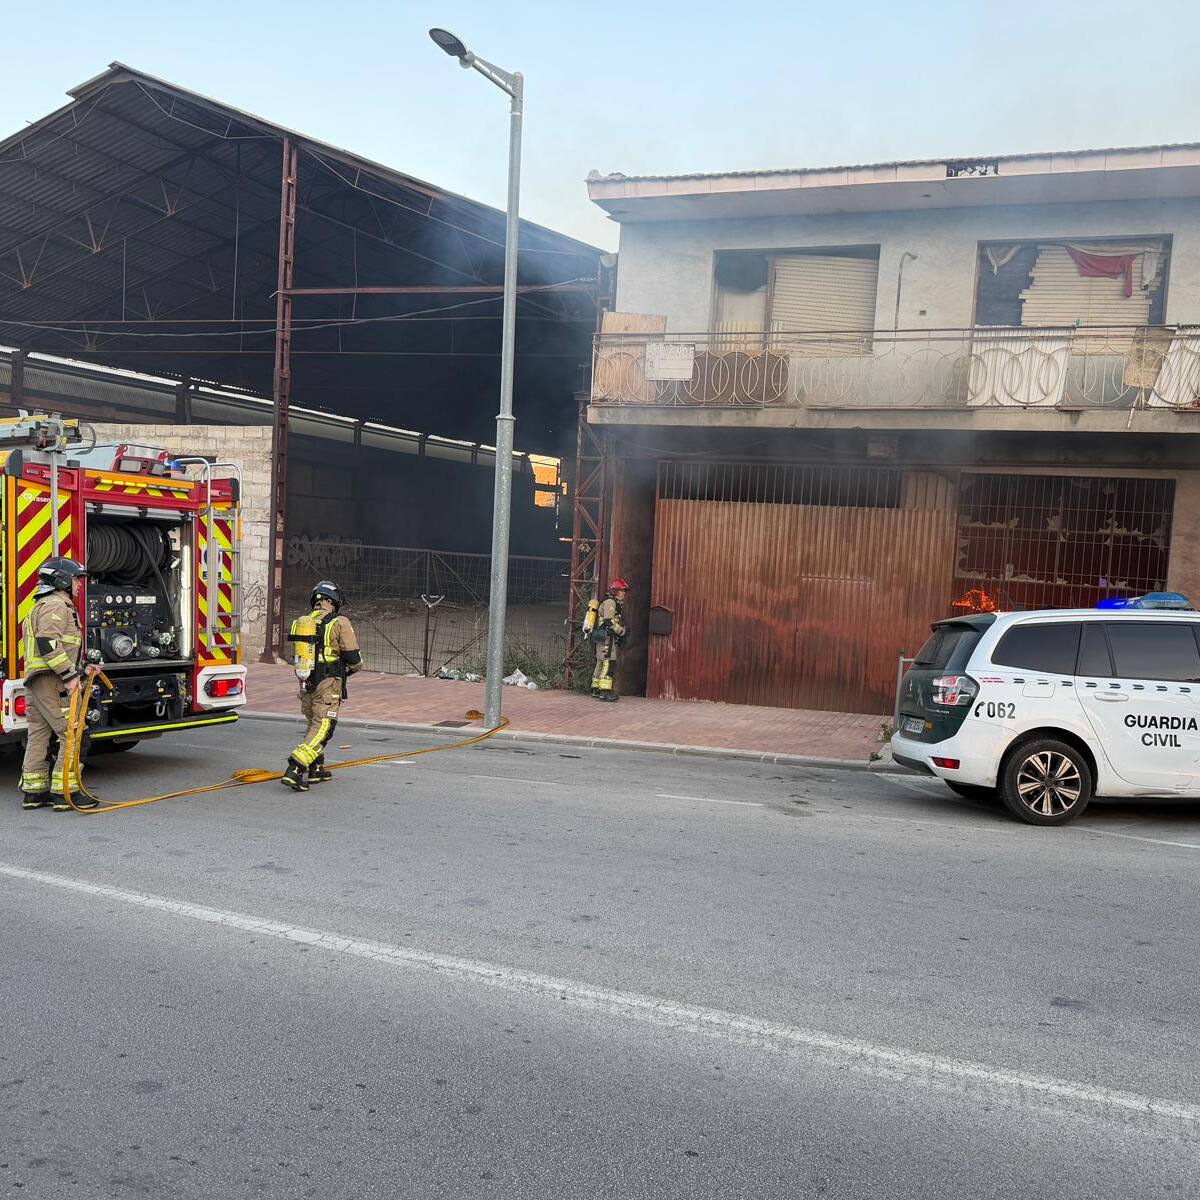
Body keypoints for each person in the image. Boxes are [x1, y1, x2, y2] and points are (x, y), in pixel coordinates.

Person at [20, 556, 98, 812]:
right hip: (53, 682)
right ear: (61, 580)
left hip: (40, 681)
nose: (79, 584)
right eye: (76, 579)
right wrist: (70, 676)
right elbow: (48, 643)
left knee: (39, 734)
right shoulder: (56, 605)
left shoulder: (43, 605)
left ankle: (34, 792)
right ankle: (66, 793)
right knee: (71, 733)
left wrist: (82, 668)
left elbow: (59, 646)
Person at [282, 580, 363, 792]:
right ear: (334, 600)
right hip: (328, 682)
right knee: (324, 726)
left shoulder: (303, 622)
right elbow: (354, 658)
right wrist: (354, 668)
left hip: (306, 681)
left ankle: (316, 768)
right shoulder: (339, 622)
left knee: (314, 723)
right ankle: (295, 768)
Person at [590, 577, 629, 702]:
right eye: (622, 590)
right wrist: (620, 631)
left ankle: (596, 688)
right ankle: (605, 691)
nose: (624, 593)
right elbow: (608, 621)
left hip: (604, 636)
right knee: (609, 662)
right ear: (616, 591)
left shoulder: (611, 602)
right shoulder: (611, 603)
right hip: (607, 637)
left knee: (601, 662)